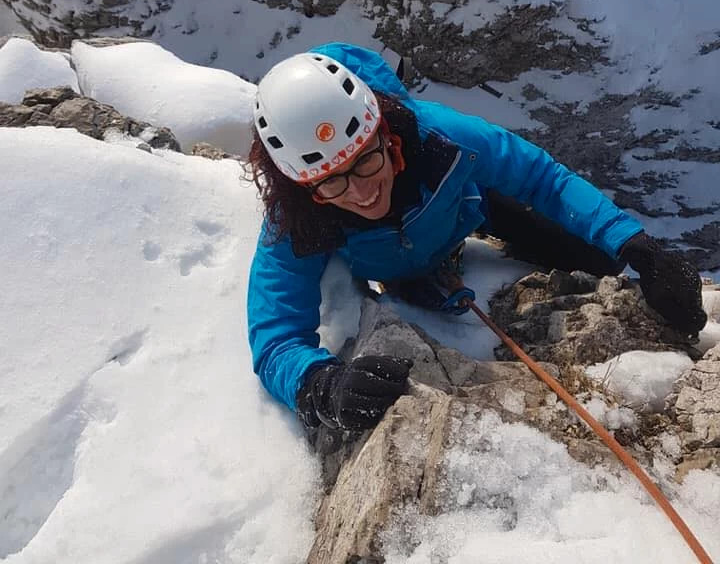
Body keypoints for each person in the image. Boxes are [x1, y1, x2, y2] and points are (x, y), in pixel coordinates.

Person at [246, 42, 707, 433]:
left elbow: (542, 178)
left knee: (600, 258)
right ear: (304, 185)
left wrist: (637, 246)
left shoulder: (440, 138)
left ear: (386, 134)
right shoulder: (298, 218)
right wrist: (320, 387)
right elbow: (275, 338)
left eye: (367, 161)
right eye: (333, 182)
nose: (364, 192)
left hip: (471, 209)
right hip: (413, 247)